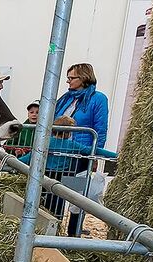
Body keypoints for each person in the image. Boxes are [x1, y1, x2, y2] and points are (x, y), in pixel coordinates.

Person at [52, 63, 110, 236]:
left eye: (72, 78)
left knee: (76, 194)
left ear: (84, 78)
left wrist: (94, 154)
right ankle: (52, 228)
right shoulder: (65, 99)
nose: (68, 81)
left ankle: (73, 233)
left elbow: (100, 129)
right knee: (54, 190)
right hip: (60, 152)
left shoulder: (98, 99)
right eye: (68, 78)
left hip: (80, 154)